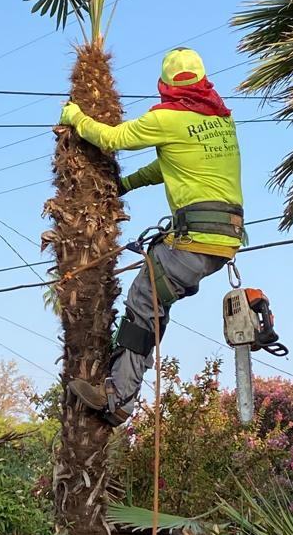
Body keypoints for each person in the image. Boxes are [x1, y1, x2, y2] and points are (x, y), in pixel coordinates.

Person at [59, 47, 244, 426]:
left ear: (165, 84)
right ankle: (124, 383)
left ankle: (119, 397)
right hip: (224, 240)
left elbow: (112, 138)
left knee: (144, 300)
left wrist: (75, 116)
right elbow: (171, 164)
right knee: (154, 303)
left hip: (194, 239)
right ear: (202, 80)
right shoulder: (222, 120)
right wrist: (126, 184)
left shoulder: (167, 118)